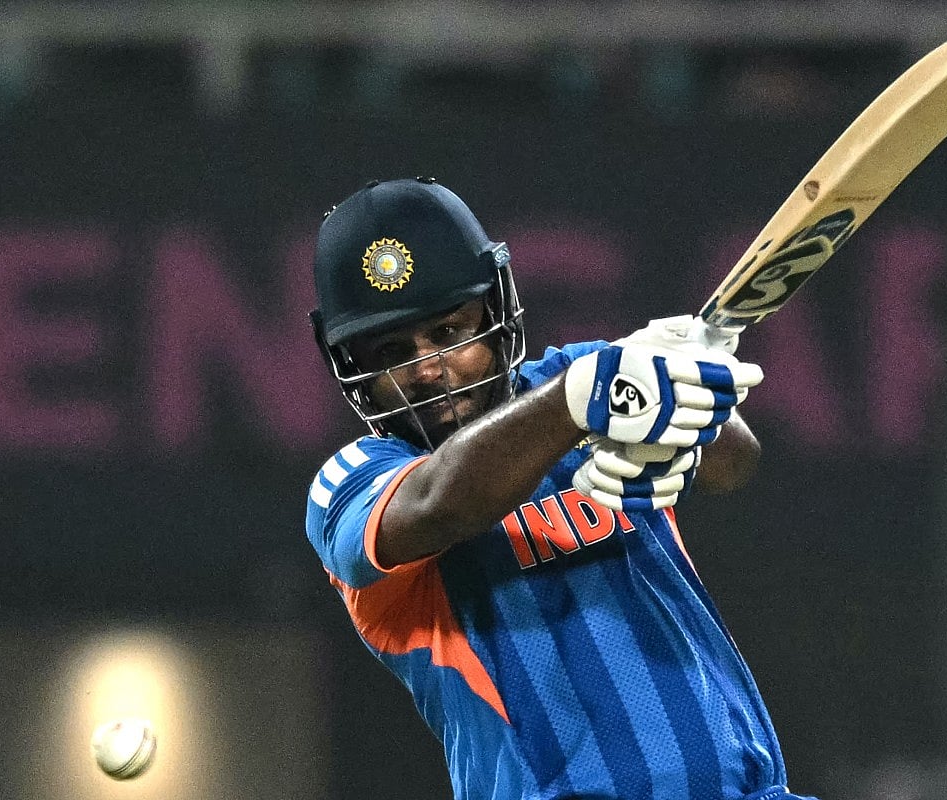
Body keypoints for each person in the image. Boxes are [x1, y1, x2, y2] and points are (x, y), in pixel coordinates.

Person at [305, 176, 817, 800]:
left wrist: (689, 384)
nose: (428, 369)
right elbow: (438, 501)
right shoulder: (351, 483)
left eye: (448, 332)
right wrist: (582, 397)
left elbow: (735, 464)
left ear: (495, 315)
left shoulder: (585, 378)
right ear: (353, 368)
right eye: (391, 350)